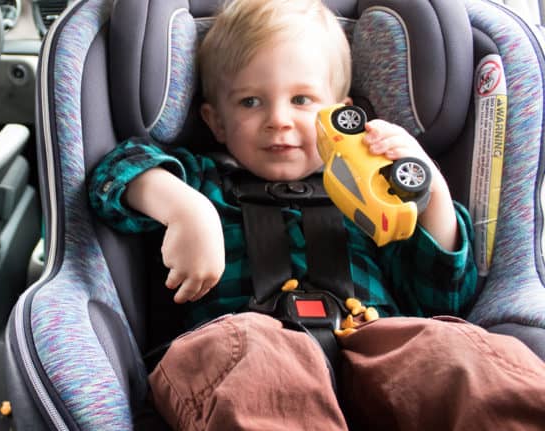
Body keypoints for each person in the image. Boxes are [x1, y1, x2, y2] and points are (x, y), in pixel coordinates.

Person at [88, 0, 545, 429]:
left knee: (453, 350)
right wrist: (187, 209)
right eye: (251, 102)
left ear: (342, 114)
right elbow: (116, 174)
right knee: (249, 354)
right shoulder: (200, 178)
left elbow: (444, 299)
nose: (279, 120)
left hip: (373, 348)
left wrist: (430, 193)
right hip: (243, 349)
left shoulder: (372, 194)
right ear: (216, 121)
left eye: (302, 100)